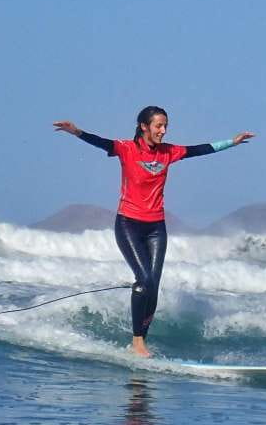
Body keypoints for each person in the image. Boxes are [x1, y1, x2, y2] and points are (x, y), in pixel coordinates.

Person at [53, 106, 254, 357]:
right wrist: (77, 132)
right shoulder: (126, 149)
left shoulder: (168, 152)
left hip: (156, 227)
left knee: (153, 285)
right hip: (129, 224)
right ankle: (137, 342)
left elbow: (199, 149)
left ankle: (141, 342)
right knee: (144, 280)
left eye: (166, 126)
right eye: (159, 126)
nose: (163, 130)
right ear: (144, 126)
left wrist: (231, 143)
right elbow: (101, 142)